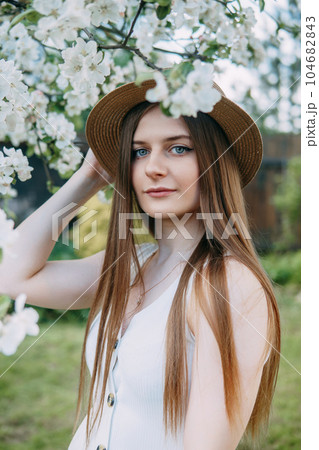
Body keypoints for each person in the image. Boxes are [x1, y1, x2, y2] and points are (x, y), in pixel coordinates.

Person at [0, 78, 280, 450]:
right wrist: (88, 178)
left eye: (178, 148)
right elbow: (11, 276)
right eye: (139, 152)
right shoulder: (131, 265)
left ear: (217, 161)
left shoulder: (228, 282)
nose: (153, 168)